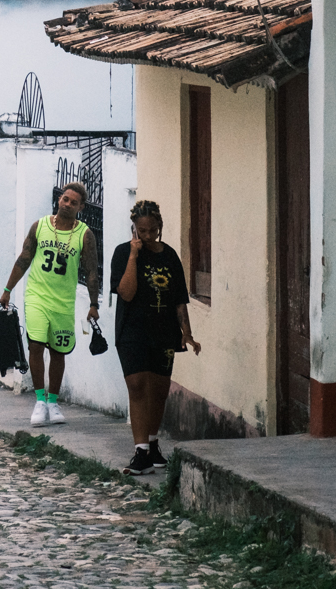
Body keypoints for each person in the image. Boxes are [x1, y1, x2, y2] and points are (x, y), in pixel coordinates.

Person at [0, 182, 102, 427]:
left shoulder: (84, 234)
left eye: (73, 202)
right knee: (36, 345)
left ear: (81, 207)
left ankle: (53, 402)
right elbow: (24, 258)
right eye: (65, 199)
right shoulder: (40, 226)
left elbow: (91, 271)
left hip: (63, 302)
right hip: (37, 296)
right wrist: (7, 290)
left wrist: (94, 304)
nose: (67, 204)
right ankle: (39, 400)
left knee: (58, 351)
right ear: (59, 200)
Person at [111, 199, 198, 475]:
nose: (148, 236)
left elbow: (179, 300)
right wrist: (135, 256)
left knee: (159, 391)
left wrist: (188, 333)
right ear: (134, 229)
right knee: (137, 386)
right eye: (142, 231)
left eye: (152, 230)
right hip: (132, 331)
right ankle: (141, 453)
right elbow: (126, 293)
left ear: (160, 227)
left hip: (164, 332)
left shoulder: (170, 256)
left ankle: (152, 443)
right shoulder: (123, 253)